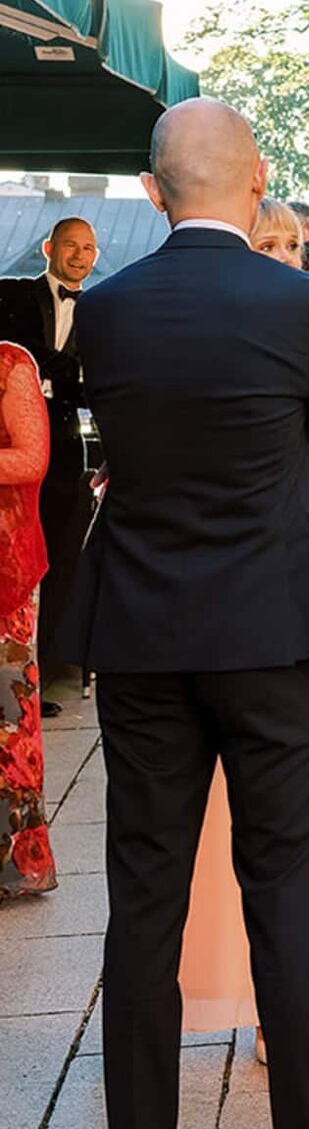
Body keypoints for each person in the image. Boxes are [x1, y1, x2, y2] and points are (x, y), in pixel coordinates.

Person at [52, 98, 309, 1129]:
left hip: (147, 642)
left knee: (142, 906)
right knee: (283, 894)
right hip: (267, 635)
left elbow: (109, 438)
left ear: (155, 194)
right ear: (254, 184)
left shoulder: (103, 312)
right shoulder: (303, 302)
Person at [180, 200, 309, 1041]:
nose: (276, 255)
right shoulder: (205, 320)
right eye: (262, 241)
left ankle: (293, 1002)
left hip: (305, 549)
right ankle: (216, 986)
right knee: (217, 802)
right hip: (218, 566)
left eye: (287, 245)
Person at [0, 214, 99, 703]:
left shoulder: (101, 308)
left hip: (64, 451)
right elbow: (27, 355)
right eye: (71, 245)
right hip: (13, 451)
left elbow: (94, 382)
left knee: (59, 560)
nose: (80, 256)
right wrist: (66, 375)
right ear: (48, 248)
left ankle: (45, 672)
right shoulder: (15, 294)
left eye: (89, 248)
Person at [0, 340, 55, 900]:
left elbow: (31, 458)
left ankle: (13, 863)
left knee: (7, 720)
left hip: (4, 568)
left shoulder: (10, 365)